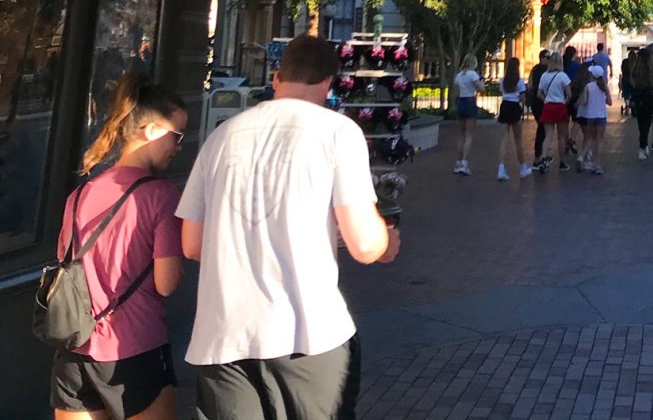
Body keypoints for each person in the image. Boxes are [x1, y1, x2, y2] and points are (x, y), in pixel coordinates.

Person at [178, 35, 398, 420]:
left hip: (224, 338)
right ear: (329, 82)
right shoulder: (337, 132)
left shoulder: (221, 137)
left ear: (277, 77)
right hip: (307, 335)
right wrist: (388, 240)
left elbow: (192, 244)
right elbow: (364, 243)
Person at [49, 72, 187, 420]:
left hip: (75, 351)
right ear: (153, 130)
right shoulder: (162, 196)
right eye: (177, 135)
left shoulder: (80, 193)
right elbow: (166, 283)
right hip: (135, 351)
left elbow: (66, 264)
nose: (179, 147)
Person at [496, 57, 532, 182]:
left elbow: (502, 92)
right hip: (514, 106)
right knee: (518, 139)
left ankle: (501, 168)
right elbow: (522, 98)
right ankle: (522, 167)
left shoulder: (502, 81)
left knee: (504, 139)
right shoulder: (520, 82)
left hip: (505, 105)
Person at [536, 52, 573, 170]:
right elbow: (569, 94)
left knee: (548, 135)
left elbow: (539, 93)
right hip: (560, 106)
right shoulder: (563, 76)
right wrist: (564, 102)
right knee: (561, 136)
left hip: (548, 106)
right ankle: (562, 162)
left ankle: (543, 157)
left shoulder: (544, 76)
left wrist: (546, 100)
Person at [575, 63, 611, 173]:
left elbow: (585, 102)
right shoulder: (605, 87)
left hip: (590, 115)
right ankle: (597, 164)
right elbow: (609, 102)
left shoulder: (588, 86)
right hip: (601, 116)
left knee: (590, 138)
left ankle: (581, 157)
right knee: (599, 140)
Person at [451, 52, 483, 175]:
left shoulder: (458, 76)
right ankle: (464, 163)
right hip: (470, 102)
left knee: (462, 135)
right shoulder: (473, 74)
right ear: (473, 63)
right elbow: (481, 88)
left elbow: (456, 93)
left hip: (461, 103)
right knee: (469, 135)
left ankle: (458, 163)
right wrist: (481, 80)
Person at [628, 45, 653, 161]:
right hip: (649, 95)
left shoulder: (635, 69)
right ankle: (643, 146)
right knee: (647, 122)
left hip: (638, 95)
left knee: (641, 123)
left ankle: (643, 145)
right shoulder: (652, 69)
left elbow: (632, 82)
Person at [528, 48, 550, 169]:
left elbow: (530, 84)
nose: (549, 59)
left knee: (542, 128)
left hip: (535, 102)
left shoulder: (534, 69)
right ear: (542, 58)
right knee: (542, 129)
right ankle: (539, 157)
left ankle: (541, 154)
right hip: (541, 101)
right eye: (547, 57)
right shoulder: (545, 71)